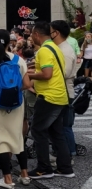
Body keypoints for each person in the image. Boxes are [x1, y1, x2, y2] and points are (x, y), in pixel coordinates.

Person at [0, 30, 32, 189]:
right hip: (16, 104)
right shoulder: (20, 61)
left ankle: (7, 179)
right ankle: (24, 175)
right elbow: (27, 85)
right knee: (16, 137)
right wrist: (13, 90)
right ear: (10, 42)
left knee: (0, 139)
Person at [27, 22, 74, 179]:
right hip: (60, 96)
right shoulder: (55, 48)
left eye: (31, 34)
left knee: (38, 130)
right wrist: (34, 70)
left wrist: (29, 75)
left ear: (37, 35)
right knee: (56, 132)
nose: (31, 38)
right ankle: (65, 167)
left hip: (49, 96)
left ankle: (44, 168)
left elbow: (47, 74)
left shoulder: (44, 50)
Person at [49, 21, 78, 162]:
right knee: (60, 125)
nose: (49, 33)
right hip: (62, 91)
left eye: (51, 31)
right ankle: (63, 153)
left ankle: (69, 155)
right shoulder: (58, 47)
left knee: (64, 126)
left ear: (57, 33)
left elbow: (64, 73)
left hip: (65, 91)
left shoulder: (65, 51)